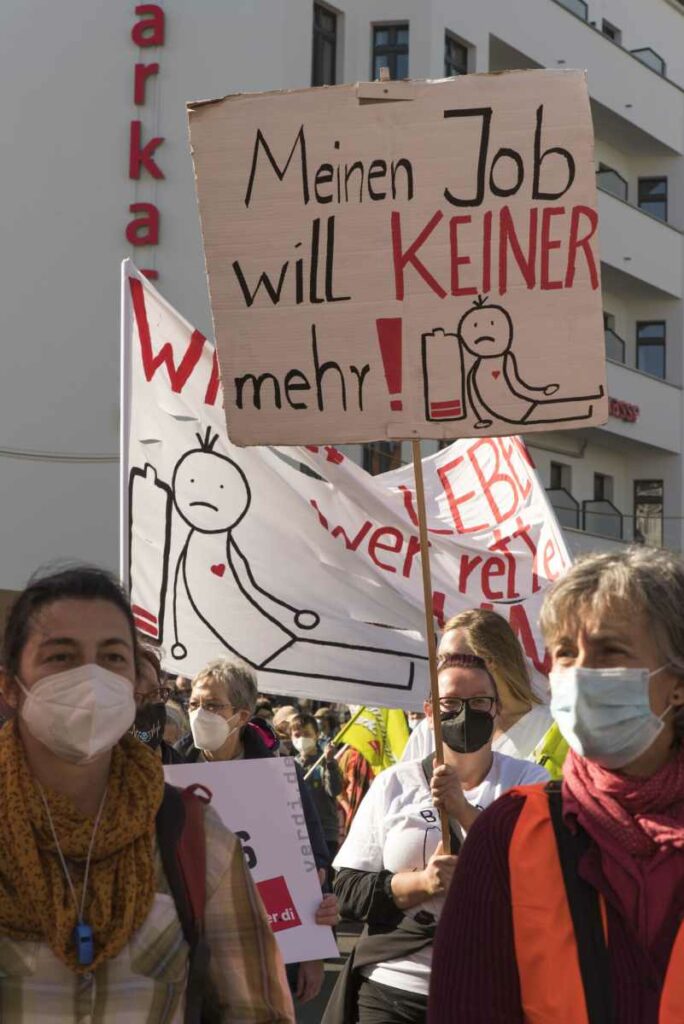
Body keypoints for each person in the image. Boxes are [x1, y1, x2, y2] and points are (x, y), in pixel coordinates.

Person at [0, 566, 293, 1021]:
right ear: (9, 687)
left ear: (136, 687)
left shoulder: (193, 835)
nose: (91, 679)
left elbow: (256, 1011)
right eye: (61, 656)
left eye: (113, 658)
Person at [428, 548, 684, 1024]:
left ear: (677, 681)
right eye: (566, 652)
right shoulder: (507, 835)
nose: (580, 674)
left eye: (610, 651)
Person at [324, 653, 548, 1024]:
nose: (465, 713)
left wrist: (463, 811)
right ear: (430, 711)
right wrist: (421, 883)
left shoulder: (529, 781)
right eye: (451, 704)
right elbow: (348, 889)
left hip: (490, 993)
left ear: (496, 709)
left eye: (479, 702)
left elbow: (541, 872)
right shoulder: (395, 783)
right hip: (393, 989)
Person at [176, 660, 338, 1006]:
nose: (199, 714)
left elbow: (313, 860)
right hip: (189, 954)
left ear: (242, 715)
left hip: (264, 950)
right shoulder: (172, 772)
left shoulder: (280, 776)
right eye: (193, 704)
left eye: (212, 705)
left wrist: (312, 950)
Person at [403, 609, 565, 775]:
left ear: (490, 661)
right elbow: (401, 792)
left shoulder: (552, 729)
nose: (441, 669)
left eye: (451, 659)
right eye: (440, 660)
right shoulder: (431, 729)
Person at [291, 712, 343, 866]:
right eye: (297, 735)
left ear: (316, 735)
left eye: (306, 734)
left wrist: (330, 762)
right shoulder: (291, 765)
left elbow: (334, 790)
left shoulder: (325, 762)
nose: (301, 739)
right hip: (299, 833)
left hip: (325, 833)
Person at [131, 645, 186, 764]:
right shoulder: (89, 774)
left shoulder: (182, 769)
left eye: (154, 693)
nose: (147, 704)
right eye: (134, 696)